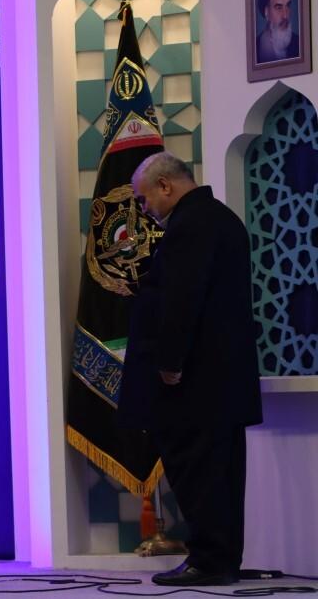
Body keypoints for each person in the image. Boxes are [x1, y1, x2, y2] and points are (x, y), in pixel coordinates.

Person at [118, 151, 262, 587]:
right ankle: (221, 559)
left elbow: (182, 299)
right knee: (221, 473)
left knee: (198, 472)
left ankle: (210, 561)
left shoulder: (190, 225)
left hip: (194, 382)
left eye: (144, 199)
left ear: (166, 186)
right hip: (221, 380)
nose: (144, 209)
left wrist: (169, 361)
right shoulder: (222, 219)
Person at [256, 0, 299, 64]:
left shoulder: (300, 44)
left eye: (287, 5)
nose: (285, 15)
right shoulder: (255, 48)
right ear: (266, 12)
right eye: (279, 7)